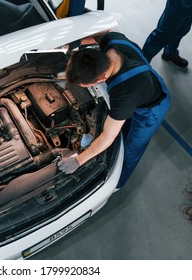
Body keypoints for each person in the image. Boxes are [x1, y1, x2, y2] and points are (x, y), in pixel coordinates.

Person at [57, 31, 171, 190]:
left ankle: (117, 183)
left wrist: (78, 160)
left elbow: (108, 137)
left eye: (85, 85)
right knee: (120, 125)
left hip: (151, 108)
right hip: (145, 78)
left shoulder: (124, 94)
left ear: (101, 79)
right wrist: (74, 43)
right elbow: (100, 33)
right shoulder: (112, 40)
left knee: (131, 148)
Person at [142, 0, 192, 68]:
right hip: (183, 3)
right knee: (162, 35)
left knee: (182, 30)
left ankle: (170, 53)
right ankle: (139, 65)